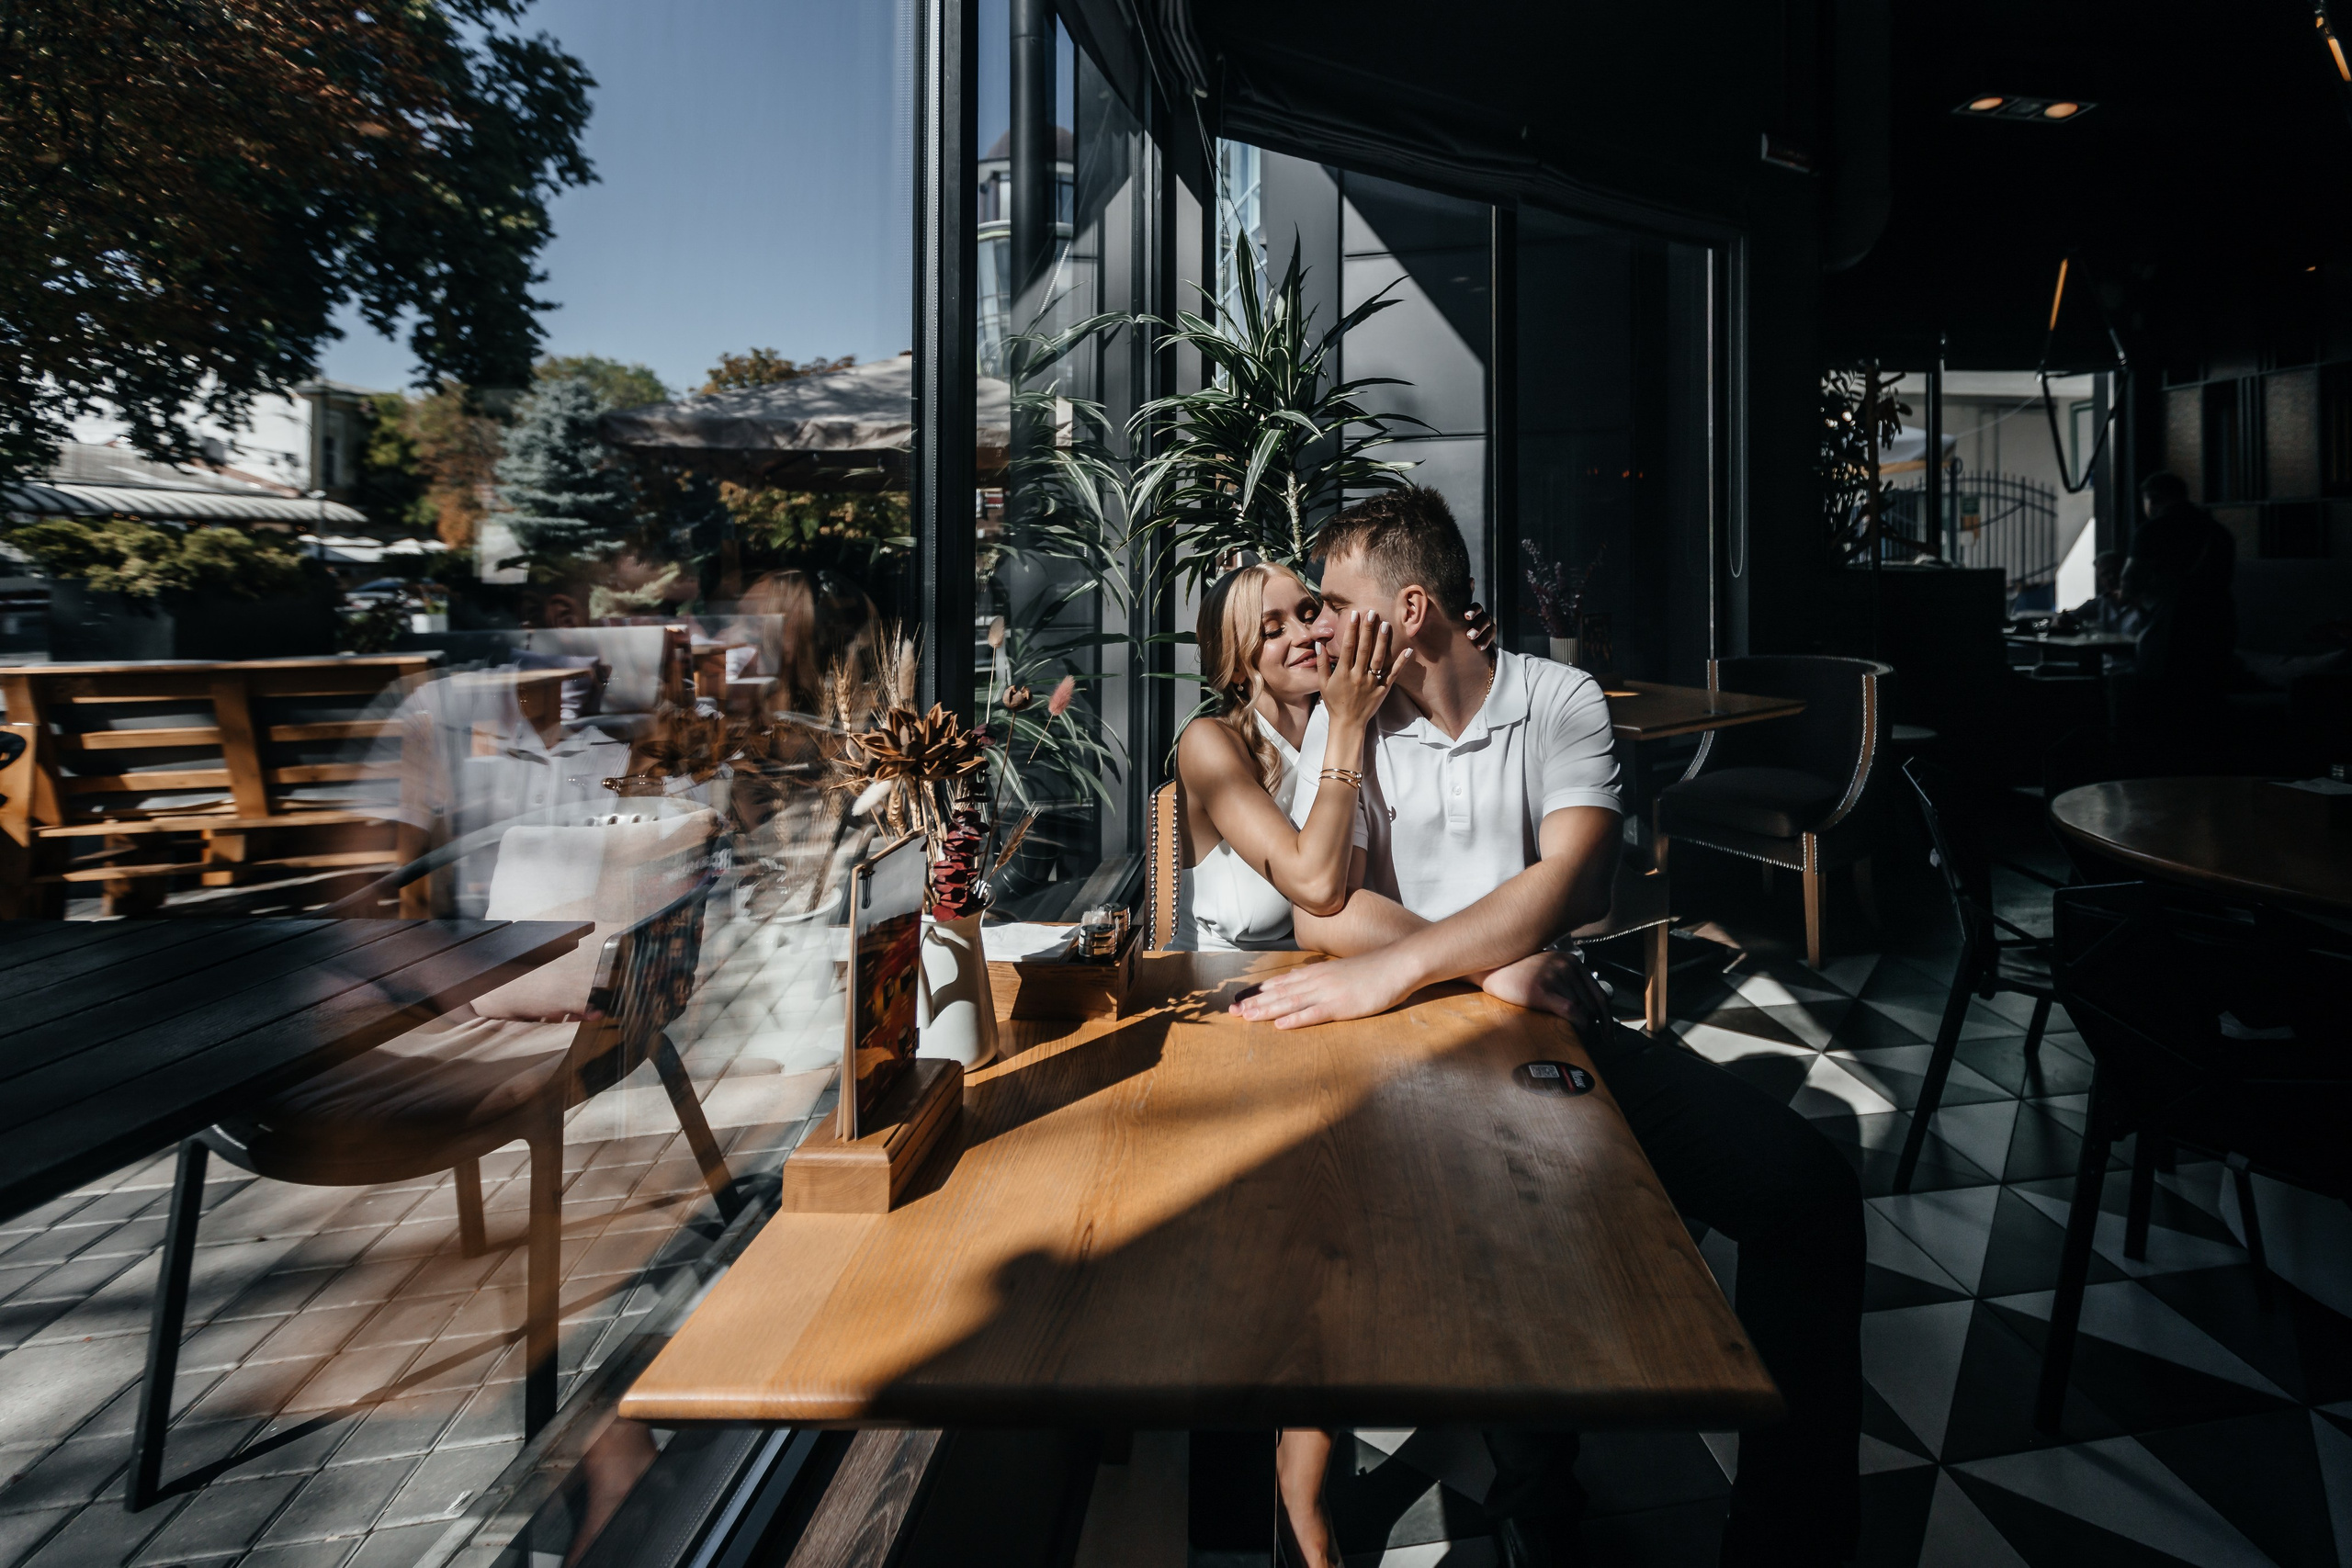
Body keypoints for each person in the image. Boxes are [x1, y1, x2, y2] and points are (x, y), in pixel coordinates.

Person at [1237, 487, 1863, 1568]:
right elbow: (1318, 908)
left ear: (1412, 609)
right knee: (1496, 1221)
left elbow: (1575, 880)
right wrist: (1494, 967)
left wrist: (1431, 960)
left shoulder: (1559, 698)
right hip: (1413, 1056)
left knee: (1807, 1193)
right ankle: (1541, 1502)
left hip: (1564, 1039)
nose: (1318, 631)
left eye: (1335, 605)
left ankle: (1783, 1546)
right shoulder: (1349, 731)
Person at [1171, 559, 1566, 1568]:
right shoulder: (1212, 743)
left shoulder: (1373, 711)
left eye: (1313, 608)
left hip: (1368, 1007)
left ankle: (1534, 1467)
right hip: (1245, 1035)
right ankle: (1303, 1513)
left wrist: (1443, 650)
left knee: (1494, 1194)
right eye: (1273, 627)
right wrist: (1347, 721)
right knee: (1316, 1265)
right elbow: (1311, 882)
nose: (1305, 631)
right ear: (1235, 657)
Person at [2055, 549, 2144, 637]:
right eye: (2105, 574)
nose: (2112, 576)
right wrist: (2066, 619)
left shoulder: (2144, 601)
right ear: (2100, 580)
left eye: (2116, 570)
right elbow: (2071, 616)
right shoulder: (2100, 602)